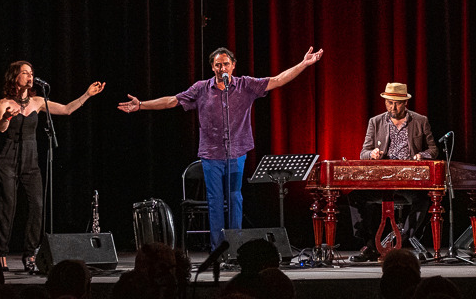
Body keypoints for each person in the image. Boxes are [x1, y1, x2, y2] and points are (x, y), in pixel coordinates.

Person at [118, 46, 323, 250]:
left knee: (235, 198)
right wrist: (141, 105)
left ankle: (235, 248)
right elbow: (172, 101)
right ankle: (219, 250)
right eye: (218, 65)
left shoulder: (246, 85)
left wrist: (303, 64)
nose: (222, 68)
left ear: (233, 66)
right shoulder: (201, 88)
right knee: (215, 201)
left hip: (236, 153)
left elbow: (277, 80)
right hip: (211, 155)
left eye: (225, 64)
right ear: (212, 67)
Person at [0, 60, 105, 273]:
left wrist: (87, 94)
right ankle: (1, 254)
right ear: (15, 77)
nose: (30, 76)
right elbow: (1, 127)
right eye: (25, 73)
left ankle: (30, 254)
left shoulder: (37, 101)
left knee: (37, 206)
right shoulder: (4, 102)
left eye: (31, 72)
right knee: (8, 207)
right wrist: (7, 117)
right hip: (8, 160)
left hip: (31, 161)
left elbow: (66, 109)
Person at [349, 82, 439, 263]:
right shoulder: (375, 122)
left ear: (405, 103)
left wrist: (421, 155)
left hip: (409, 180)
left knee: (423, 199)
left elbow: (433, 150)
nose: (392, 107)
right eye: (389, 103)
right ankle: (370, 245)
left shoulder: (420, 121)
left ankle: (401, 240)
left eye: (397, 103)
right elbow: (363, 152)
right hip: (382, 180)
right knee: (355, 197)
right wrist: (372, 154)